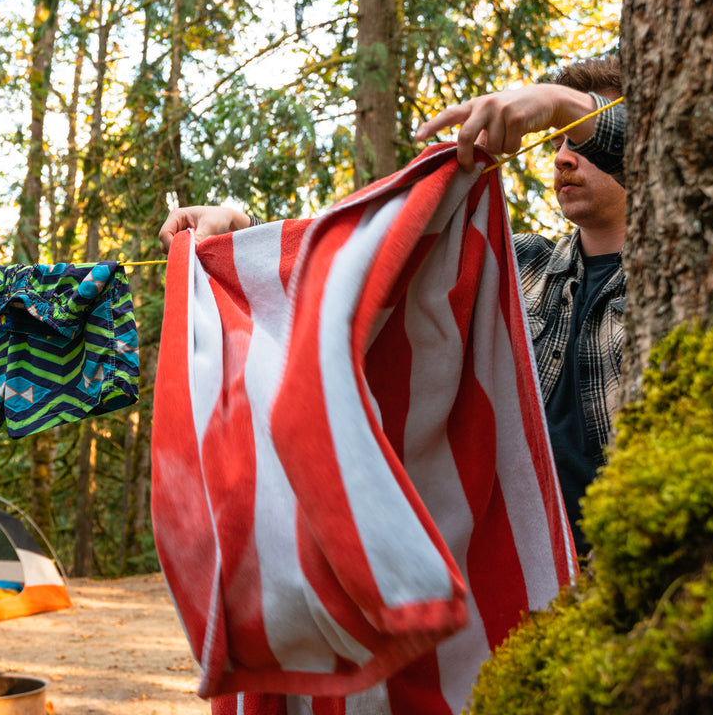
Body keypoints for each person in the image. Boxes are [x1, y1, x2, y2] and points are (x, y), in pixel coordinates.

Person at [157, 58, 626, 553]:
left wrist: (562, 105)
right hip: (528, 579)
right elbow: (359, 271)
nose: (561, 158)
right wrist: (241, 231)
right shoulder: (518, 263)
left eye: (579, 138)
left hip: (636, 576)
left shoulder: (693, 266)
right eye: (557, 141)